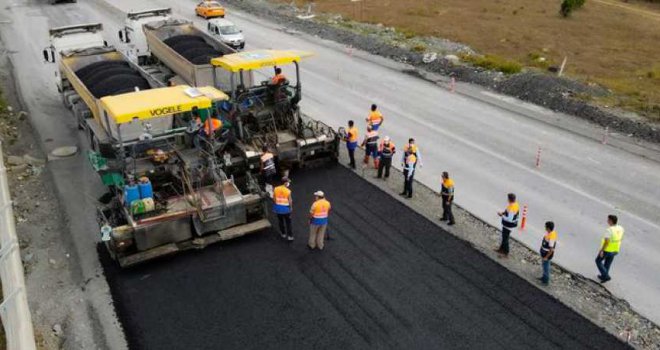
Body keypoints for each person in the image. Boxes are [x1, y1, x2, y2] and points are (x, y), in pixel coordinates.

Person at [596, 215, 624, 283]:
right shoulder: (620, 228)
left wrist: (602, 250)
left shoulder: (609, 230)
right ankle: (603, 276)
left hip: (607, 250)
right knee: (607, 264)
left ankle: (606, 276)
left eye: (608, 220)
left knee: (598, 261)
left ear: (611, 221)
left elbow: (607, 242)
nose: (607, 221)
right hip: (615, 249)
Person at [496, 193, 519, 257]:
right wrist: (503, 213)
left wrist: (502, 215)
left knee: (505, 239)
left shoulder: (512, 207)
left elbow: (509, 219)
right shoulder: (515, 204)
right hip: (508, 225)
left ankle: (506, 252)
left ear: (509, 199)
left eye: (508, 198)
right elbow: (507, 211)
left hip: (508, 225)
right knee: (504, 237)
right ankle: (501, 249)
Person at [539, 221, 557, 285]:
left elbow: (551, 249)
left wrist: (546, 257)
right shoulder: (549, 233)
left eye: (546, 227)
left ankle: (546, 281)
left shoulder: (551, 236)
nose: (545, 228)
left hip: (547, 255)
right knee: (544, 266)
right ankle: (543, 277)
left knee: (546, 267)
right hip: (544, 253)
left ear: (548, 228)